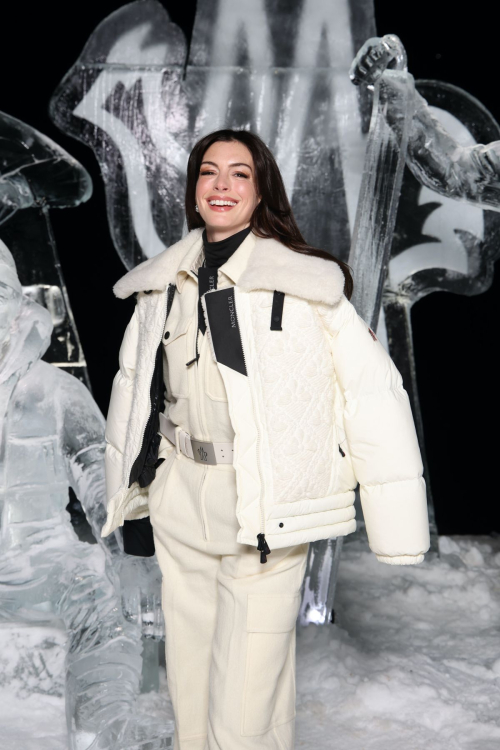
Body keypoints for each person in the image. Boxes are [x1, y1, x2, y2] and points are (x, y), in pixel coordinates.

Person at [101, 129, 430, 749]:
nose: (221, 184)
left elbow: (372, 396)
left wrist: (399, 530)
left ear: (261, 192)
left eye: (240, 174)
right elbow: (134, 390)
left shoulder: (305, 285)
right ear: (194, 188)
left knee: (246, 703)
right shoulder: (161, 286)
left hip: (263, 506)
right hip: (181, 499)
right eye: (208, 172)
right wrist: (134, 491)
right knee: (190, 691)